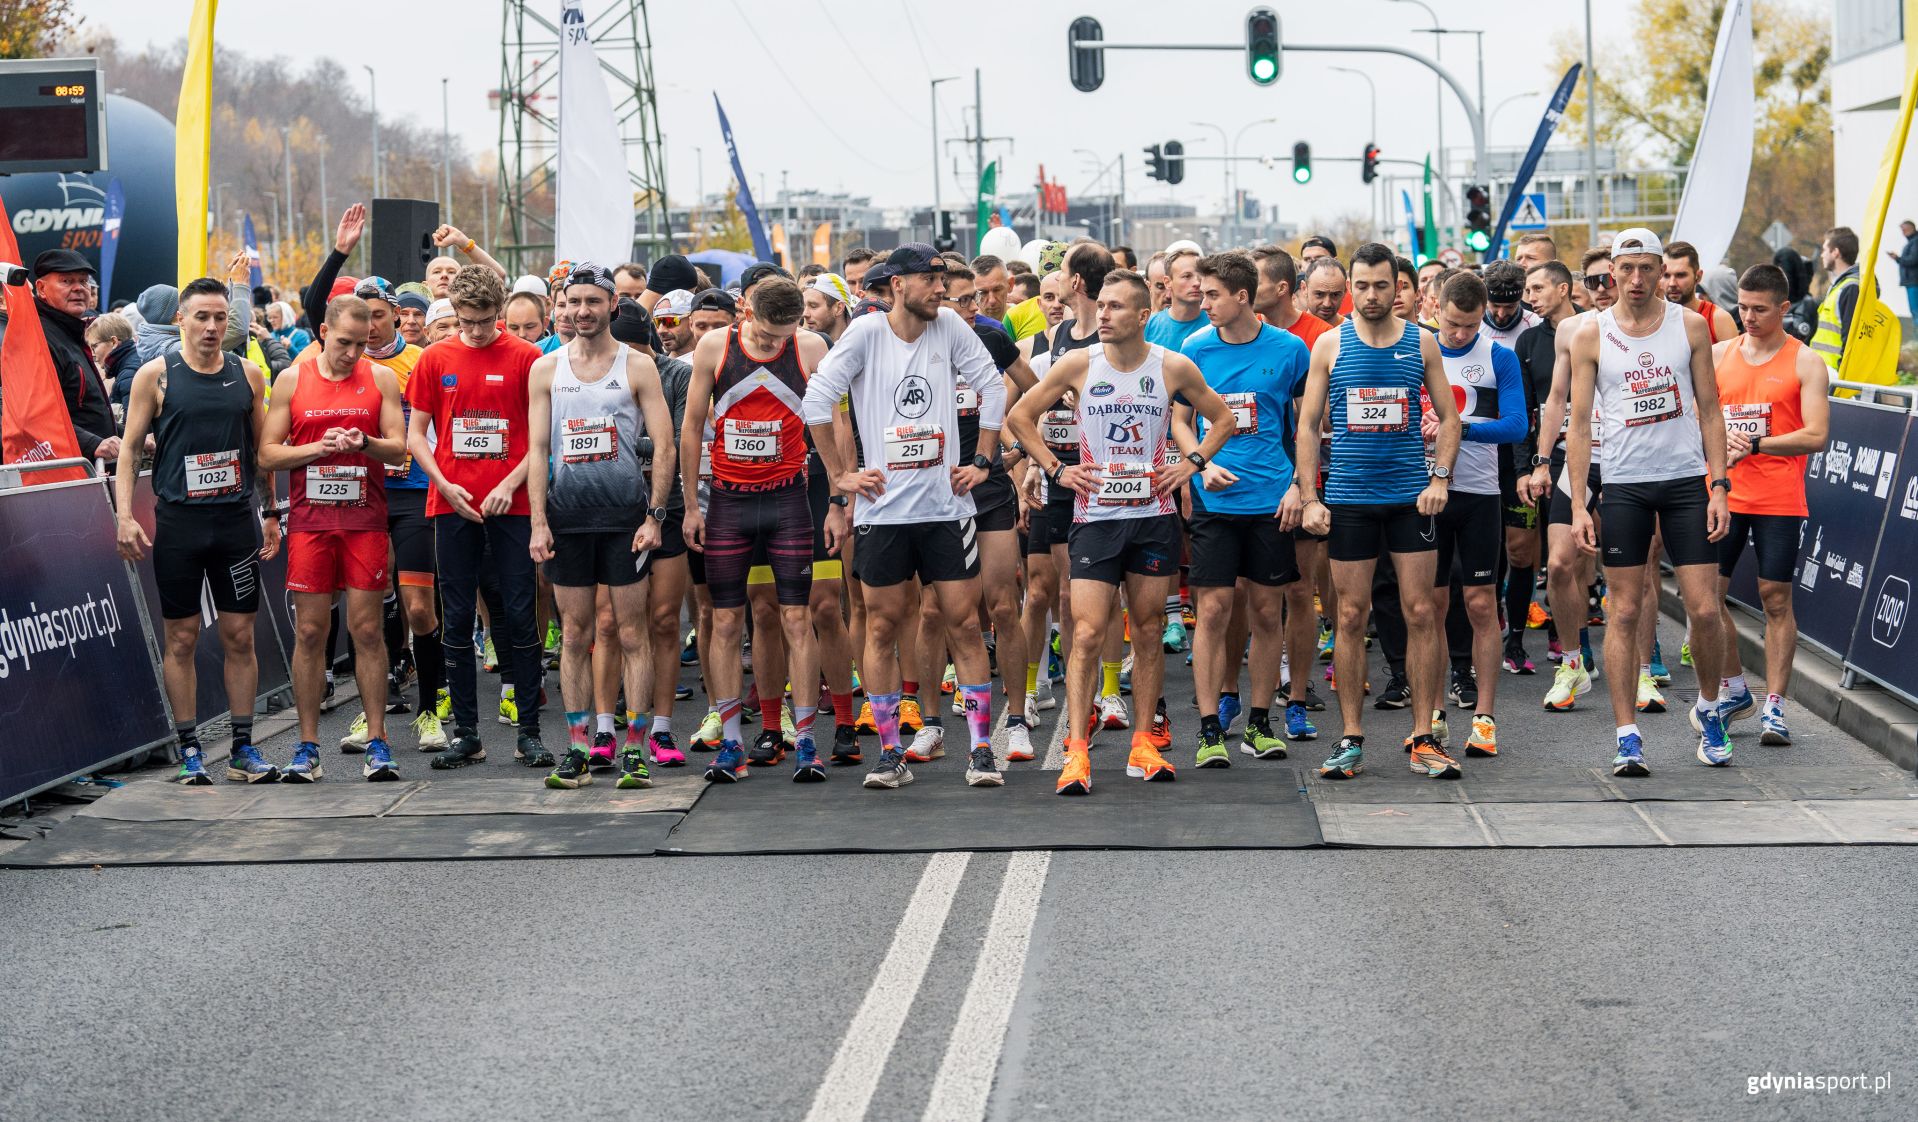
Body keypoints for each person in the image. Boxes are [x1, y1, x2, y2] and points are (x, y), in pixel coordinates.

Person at [1009, 267, 1236, 794]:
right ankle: (1078, 750)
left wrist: (1192, 462)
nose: (1101, 314)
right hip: (1095, 517)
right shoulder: (1077, 363)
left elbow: (1222, 419)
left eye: (1114, 307)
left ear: (1142, 316)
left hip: (1153, 517)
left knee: (1150, 628)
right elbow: (1022, 416)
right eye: (1101, 304)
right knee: (1085, 633)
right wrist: (1058, 468)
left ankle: (1142, 743)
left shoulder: (1173, 366)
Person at [804, 244, 1009, 791]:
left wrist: (983, 460)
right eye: (931, 280)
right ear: (897, 284)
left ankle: (982, 749)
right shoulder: (867, 334)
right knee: (882, 624)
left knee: (964, 622)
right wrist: (841, 477)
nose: (942, 291)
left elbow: (993, 384)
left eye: (944, 280)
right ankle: (890, 751)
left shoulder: (948, 328)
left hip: (946, 507)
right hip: (885, 511)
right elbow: (817, 399)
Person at [1565, 228, 1734, 776]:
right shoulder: (1591, 333)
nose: (1636, 280)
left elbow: (1710, 409)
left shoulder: (1689, 326)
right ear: (1611, 273)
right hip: (1625, 485)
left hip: (1686, 480)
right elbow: (1581, 423)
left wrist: (1719, 486)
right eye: (1627, 269)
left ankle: (1710, 709)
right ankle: (1627, 735)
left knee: (1704, 609)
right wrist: (1577, 503)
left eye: (1647, 268)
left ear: (1663, 271)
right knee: (1626, 608)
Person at [1294, 243, 1462, 782]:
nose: (1370, 295)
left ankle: (1423, 737)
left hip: (1411, 498)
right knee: (1349, 616)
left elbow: (1450, 419)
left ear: (1398, 287)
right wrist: (1309, 496)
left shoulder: (1423, 342)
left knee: (1419, 613)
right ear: (1350, 287)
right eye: (1360, 286)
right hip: (1348, 499)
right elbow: (1307, 425)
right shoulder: (1328, 344)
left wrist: (1440, 478)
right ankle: (1351, 738)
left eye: (1381, 285)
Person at [113, 278, 281, 784]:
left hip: (233, 523)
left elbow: (261, 454)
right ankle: (190, 750)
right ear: (181, 320)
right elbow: (128, 449)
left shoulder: (247, 374)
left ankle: (243, 749)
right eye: (201, 317)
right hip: (181, 524)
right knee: (181, 637)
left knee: (239, 636)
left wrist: (272, 511)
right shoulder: (155, 376)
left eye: (219, 318)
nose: (211, 327)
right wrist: (124, 515)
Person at [527, 264, 675, 790]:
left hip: (623, 521)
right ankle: (578, 748)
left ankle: (634, 748)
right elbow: (539, 450)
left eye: (593, 301)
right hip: (567, 521)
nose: (582, 311)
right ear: (561, 308)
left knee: (632, 633)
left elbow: (665, 445)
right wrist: (538, 523)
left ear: (612, 305)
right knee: (574, 635)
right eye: (574, 303)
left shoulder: (636, 366)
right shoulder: (546, 369)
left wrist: (655, 516)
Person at [680, 277, 830, 782]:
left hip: (788, 498)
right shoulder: (714, 346)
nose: (771, 345)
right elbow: (691, 427)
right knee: (724, 623)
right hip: (728, 500)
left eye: (781, 337)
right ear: (744, 310)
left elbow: (834, 422)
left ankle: (807, 741)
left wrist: (841, 497)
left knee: (795, 618)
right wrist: (689, 506)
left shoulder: (808, 346)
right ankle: (732, 742)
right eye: (765, 336)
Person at [405, 265, 553, 771]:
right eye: (465, 320)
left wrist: (510, 485)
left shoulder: (527, 358)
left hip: (512, 505)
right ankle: (466, 733)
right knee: (457, 616)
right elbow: (415, 437)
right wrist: (443, 483)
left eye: (485, 320)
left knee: (518, 613)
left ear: (501, 311)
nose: (474, 330)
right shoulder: (435, 358)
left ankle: (528, 731)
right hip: (452, 503)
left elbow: (541, 440)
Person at [259, 295, 409, 781]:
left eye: (361, 345)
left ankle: (379, 742)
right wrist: (314, 448)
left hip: (364, 522)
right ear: (323, 332)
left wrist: (363, 442)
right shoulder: (292, 379)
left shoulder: (380, 378)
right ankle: (307, 747)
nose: (352, 353)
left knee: (366, 630)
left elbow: (398, 448)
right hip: (311, 524)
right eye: (344, 343)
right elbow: (266, 454)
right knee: (310, 633)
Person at [1178, 251, 1311, 765]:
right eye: (1200, 292)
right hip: (1216, 499)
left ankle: (1260, 722)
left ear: (1241, 296)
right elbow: (1181, 420)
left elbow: (1304, 423)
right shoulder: (1194, 349)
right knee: (1212, 610)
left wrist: (1301, 486)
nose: (1201, 301)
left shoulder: (1290, 349)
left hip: (1272, 498)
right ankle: (1210, 728)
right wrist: (1200, 464)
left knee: (1265, 611)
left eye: (1212, 294)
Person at [1712, 263, 1830, 745]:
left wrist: (1758, 444)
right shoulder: (1719, 354)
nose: (1748, 317)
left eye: (1760, 309)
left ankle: (1776, 707)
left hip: (1779, 497)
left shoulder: (1806, 361)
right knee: (1707, 600)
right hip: (1722, 492)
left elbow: (1817, 435)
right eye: (1742, 307)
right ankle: (1737, 687)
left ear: (1784, 308)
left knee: (1775, 598)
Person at [1426, 271, 1529, 759]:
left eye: (1470, 325)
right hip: (1426, 494)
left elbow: (1515, 426)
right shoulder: (1419, 350)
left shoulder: (1498, 356)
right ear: (1435, 307)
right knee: (1430, 607)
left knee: (1482, 605)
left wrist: (1456, 430)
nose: (1461, 334)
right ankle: (1434, 713)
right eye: (1452, 325)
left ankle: (1484, 717)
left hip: (1478, 494)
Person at [1522, 250, 1614, 709]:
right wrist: (1540, 461)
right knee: (1559, 563)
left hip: (1633, 461)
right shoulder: (1570, 331)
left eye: (1608, 279)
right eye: (1593, 281)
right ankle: (1573, 664)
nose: (1602, 288)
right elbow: (1554, 399)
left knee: (1631, 570)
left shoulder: (1668, 327)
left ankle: (1641, 669)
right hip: (1575, 455)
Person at [30, 249, 119, 460]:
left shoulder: (69, 333)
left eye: (84, 281)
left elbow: (89, 414)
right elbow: (37, 417)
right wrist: (93, 444)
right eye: (67, 281)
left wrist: (134, 436)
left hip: (90, 468)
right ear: (41, 289)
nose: (79, 288)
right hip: (66, 475)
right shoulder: (40, 339)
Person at [1663, 241, 1737, 344]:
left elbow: (1732, 359)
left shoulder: (1718, 319)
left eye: (1680, 275)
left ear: (1698, 276)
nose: (1672, 283)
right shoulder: (1652, 319)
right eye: (1666, 275)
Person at [1811, 227, 1862, 371]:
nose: (1822, 255)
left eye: (1825, 250)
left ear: (1836, 252)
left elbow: (1851, 339)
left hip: (1835, 375)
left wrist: (1842, 374)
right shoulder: (1840, 285)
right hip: (1826, 372)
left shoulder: (1850, 288)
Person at [1144, 247, 1206, 351]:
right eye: (1187, 276)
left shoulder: (1217, 324)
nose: (1196, 283)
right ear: (1168, 282)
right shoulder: (1148, 326)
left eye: (1200, 276)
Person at [1301, 257, 1348, 328]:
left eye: (1335, 295)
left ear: (1345, 292)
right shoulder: (1289, 333)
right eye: (1319, 294)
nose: (1327, 304)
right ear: (1304, 288)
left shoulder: (1355, 333)